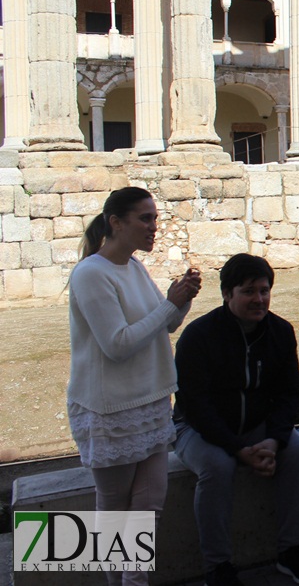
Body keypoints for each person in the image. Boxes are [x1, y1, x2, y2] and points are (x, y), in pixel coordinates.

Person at [67, 187, 201, 586]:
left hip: (152, 399)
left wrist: (182, 300)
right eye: (145, 218)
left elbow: (165, 326)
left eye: (154, 218)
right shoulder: (91, 273)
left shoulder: (135, 267)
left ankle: (134, 581)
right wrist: (168, 305)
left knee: (149, 503)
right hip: (111, 408)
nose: (154, 227)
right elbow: (117, 344)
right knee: (114, 505)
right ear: (116, 222)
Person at [173, 254, 299, 586]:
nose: (259, 299)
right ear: (228, 294)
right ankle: (218, 566)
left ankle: (290, 551)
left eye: (264, 290)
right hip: (198, 429)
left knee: (296, 454)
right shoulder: (199, 336)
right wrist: (238, 448)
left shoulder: (281, 332)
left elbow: (289, 393)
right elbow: (194, 405)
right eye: (249, 291)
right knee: (217, 467)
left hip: (258, 426)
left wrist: (274, 439)